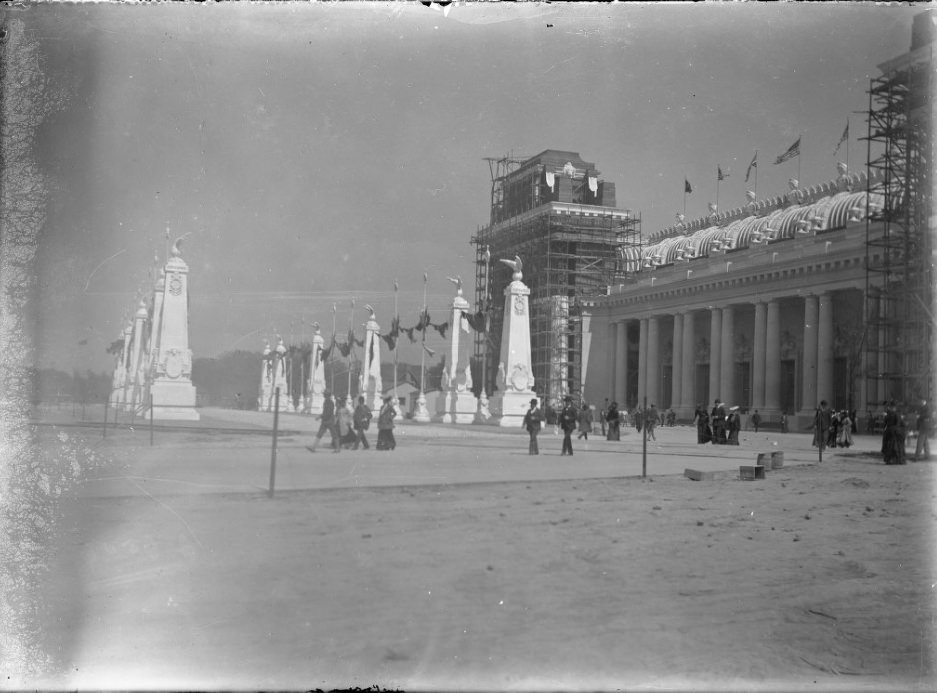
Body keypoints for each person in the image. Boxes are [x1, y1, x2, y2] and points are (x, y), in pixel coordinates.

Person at [881, 400, 906, 465]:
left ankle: (891, 459)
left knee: (891, 446)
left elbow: (885, 424)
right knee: (895, 446)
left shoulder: (889, 414)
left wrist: (885, 429)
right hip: (895, 432)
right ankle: (896, 459)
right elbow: (899, 423)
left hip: (891, 432)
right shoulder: (896, 414)